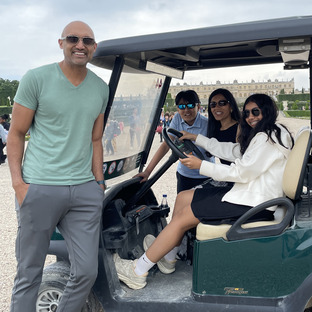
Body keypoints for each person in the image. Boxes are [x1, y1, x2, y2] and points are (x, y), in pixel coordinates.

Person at [114, 93, 294, 290]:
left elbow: (241, 172)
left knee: (183, 218)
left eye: (256, 112)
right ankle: (169, 257)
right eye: (248, 113)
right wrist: (196, 138)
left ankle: (138, 271)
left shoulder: (267, 137)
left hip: (254, 202)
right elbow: (234, 151)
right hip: (251, 196)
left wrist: (201, 166)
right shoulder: (269, 134)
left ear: (267, 111)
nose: (250, 117)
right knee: (183, 197)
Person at [7, 21, 109, 312]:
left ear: (94, 47)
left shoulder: (100, 88)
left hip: (84, 190)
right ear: (61, 42)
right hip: (40, 186)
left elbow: (96, 138)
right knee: (29, 272)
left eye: (87, 40)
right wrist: (19, 185)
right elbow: (15, 134)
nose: (80, 45)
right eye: (73, 39)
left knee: (87, 271)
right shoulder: (36, 79)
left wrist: (99, 184)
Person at [135, 90, 214, 193]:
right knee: (181, 206)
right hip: (185, 175)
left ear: (198, 106)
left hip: (205, 176)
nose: (186, 110)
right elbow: (165, 145)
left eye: (190, 105)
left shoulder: (208, 124)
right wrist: (147, 172)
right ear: (177, 108)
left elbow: (217, 148)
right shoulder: (177, 118)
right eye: (181, 107)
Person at [207, 88, 241, 165]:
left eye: (222, 103)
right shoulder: (215, 130)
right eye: (213, 105)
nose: (216, 107)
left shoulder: (241, 128)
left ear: (231, 106)